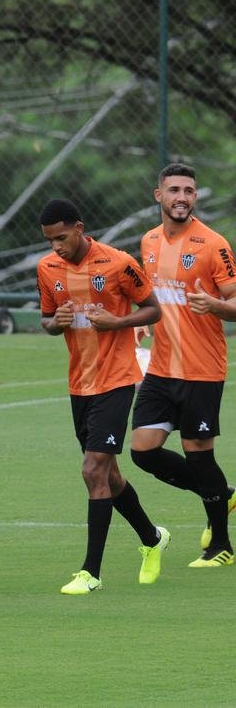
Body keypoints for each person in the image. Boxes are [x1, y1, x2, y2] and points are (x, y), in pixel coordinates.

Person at [37, 199, 168, 594]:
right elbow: (46, 319)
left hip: (116, 379)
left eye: (61, 237)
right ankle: (151, 538)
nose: (56, 246)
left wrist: (119, 322)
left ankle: (90, 572)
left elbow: (154, 310)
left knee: (92, 470)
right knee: (108, 476)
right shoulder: (47, 269)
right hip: (80, 384)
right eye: (49, 240)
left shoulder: (117, 263)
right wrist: (53, 324)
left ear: (79, 227)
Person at [129, 163, 236, 568]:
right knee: (142, 451)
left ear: (195, 197)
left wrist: (217, 306)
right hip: (160, 369)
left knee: (198, 454)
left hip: (201, 371)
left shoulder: (213, 245)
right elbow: (152, 297)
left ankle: (221, 545)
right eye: (174, 190)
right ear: (158, 195)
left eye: (189, 191)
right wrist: (139, 326)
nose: (182, 197)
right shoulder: (149, 241)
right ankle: (223, 495)